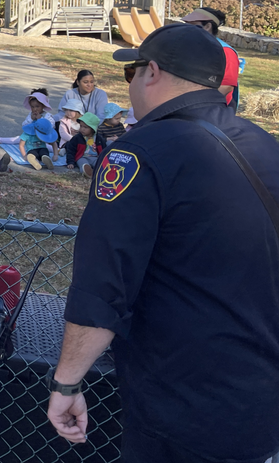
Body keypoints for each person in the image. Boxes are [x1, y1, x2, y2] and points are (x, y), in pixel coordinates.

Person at [46, 23, 279, 463]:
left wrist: (67, 382)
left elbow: (103, 284)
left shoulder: (137, 153)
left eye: (132, 72)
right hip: (259, 390)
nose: (130, 84)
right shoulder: (264, 145)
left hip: (183, 397)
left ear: (152, 72)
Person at [182, 7, 241, 111]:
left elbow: (226, 86)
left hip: (214, 110)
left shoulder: (226, 52)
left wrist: (198, 105)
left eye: (192, 25)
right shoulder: (190, 47)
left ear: (207, 26)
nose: (187, 29)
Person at [20, 90, 57, 170]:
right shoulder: (30, 115)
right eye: (32, 107)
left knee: (44, 152)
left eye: (37, 106)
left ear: (43, 106)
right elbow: (24, 126)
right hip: (31, 139)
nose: (35, 109)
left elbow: (51, 125)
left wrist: (41, 119)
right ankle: (34, 161)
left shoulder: (47, 115)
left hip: (42, 141)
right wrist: (30, 119)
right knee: (32, 153)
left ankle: (46, 159)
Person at [63, 112, 106, 177]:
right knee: (83, 164)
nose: (82, 129)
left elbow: (104, 149)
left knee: (99, 163)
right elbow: (71, 150)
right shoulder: (77, 138)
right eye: (81, 126)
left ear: (92, 129)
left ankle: (101, 172)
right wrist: (70, 162)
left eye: (85, 127)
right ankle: (87, 172)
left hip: (95, 157)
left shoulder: (99, 139)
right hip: (82, 157)